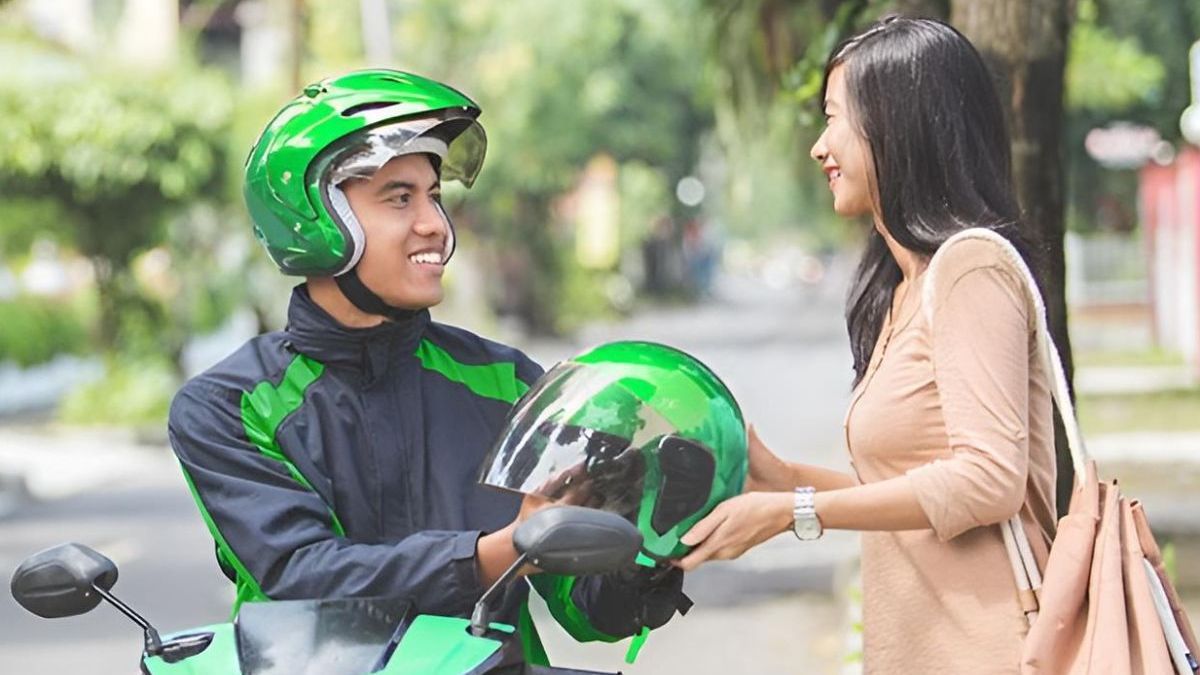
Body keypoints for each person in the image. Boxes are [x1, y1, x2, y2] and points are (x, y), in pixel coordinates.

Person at [166, 69, 689, 665]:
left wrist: (653, 542)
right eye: (399, 198)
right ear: (315, 217)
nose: (435, 226)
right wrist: (500, 550)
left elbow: (586, 608)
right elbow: (302, 575)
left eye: (435, 196)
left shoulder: (507, 382)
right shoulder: (229, 406)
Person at [675, 17, 1058, 674]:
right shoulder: (904, 285)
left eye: (835, 119)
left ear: (899, 126)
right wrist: (781, 476)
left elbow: (989, 480)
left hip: (993, 652)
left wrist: (793, 512)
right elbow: (911, 494)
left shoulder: (970, 271)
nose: (820, 147)